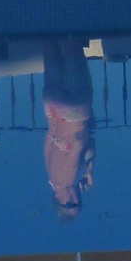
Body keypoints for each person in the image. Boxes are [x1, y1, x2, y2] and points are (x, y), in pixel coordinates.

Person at [41, 38, 95, 222]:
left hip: (74, 112)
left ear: (58, 200)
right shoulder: (51, 175)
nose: (75, 199)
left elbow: (79, 144)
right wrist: (88, 169)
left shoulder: (66, 180)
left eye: (70, 204)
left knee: (72, 46)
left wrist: (87, 166)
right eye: (78, 204)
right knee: (49, 46)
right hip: (52, 107)